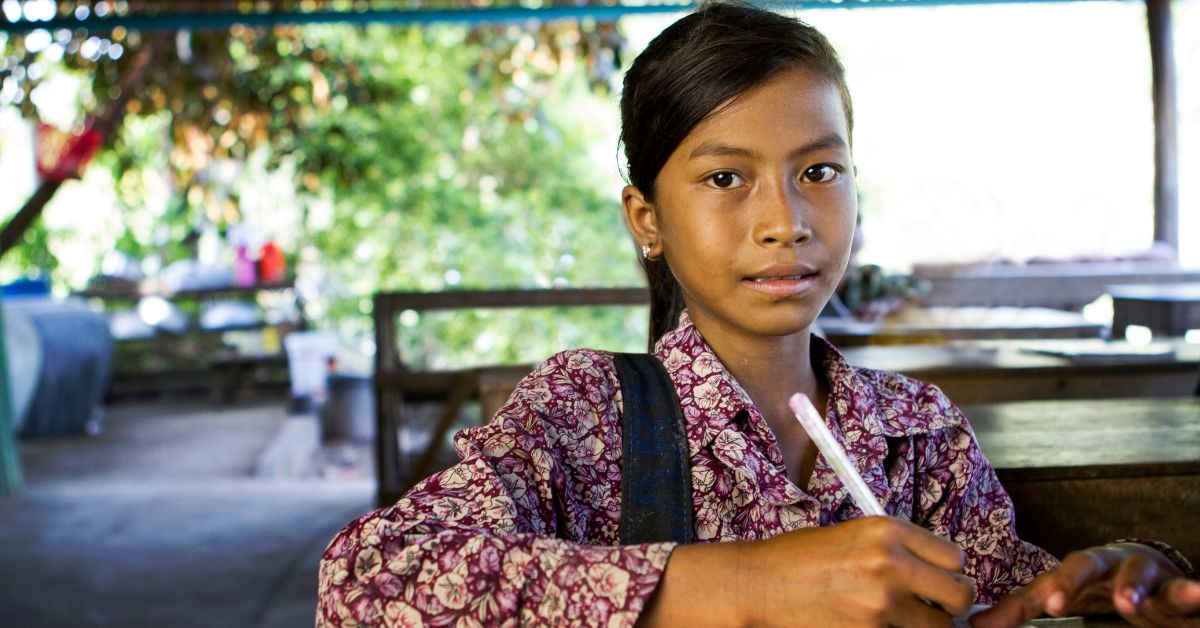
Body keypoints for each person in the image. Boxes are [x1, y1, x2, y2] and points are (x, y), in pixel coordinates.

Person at [317, 3, 1199, 626]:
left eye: (819, 171)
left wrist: (1111, 581)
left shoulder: (917, 432)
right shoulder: (586, 416)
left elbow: (998, 593)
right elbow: (363, 585)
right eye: (725, 178)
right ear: (647, 220)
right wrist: (749, 588)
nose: (786, 221)